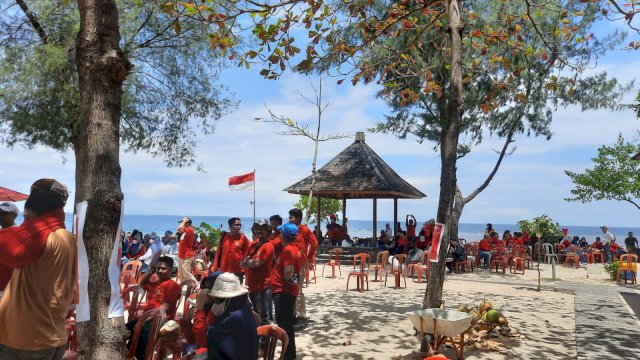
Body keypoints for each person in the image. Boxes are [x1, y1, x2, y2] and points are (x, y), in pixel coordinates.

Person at [0, 179, 75, 359]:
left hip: (27, 340)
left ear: (31, 208)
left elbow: (9, 246)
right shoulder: (69, 238)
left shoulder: (36, 239)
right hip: (54, 334)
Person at [127, 256, 181, 359]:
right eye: (158, 268)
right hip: (147, 318)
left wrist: (142, 321)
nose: (160, 271)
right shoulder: (155, 283)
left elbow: (163, 308)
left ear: (171, 270)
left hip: (161, 319)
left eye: (164, 268)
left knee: (142, 336)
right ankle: (130, 351)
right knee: (125, 329)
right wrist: (151, 272)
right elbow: (142, 284)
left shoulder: (172, 285)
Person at [207, 273, 258, 360]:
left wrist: (199, 311)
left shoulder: (231, 321)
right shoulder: (245, 311)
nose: (215, 303)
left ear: (229, 300)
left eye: (218, 300)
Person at [271, 222, 301, 360]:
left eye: (280, 233)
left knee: (284, 325)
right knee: (286, 324)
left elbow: (288, 270)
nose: (279, 235)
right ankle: (290, 354)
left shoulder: (288, 250)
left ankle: (288, 356)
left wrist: (286, 277)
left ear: (284, 235)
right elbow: (304, 264)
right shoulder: (296, 247)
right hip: (287, 291)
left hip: (283, 292)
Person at [241, 222, 275, 325]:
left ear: (268, 232)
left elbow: (256, 263)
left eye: (262, 229)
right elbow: (241, 262)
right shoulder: (253, 244)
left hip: (263, 286)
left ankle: (265, 339)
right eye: (257, 228)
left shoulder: (268, 246)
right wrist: (248, 262)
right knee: (255, 315)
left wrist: (248, 261)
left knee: (263, 317)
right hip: (252, 285)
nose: (259, 230)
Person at [289, 208, 318, 321]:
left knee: (298, 289)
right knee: (290, 289)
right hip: (289, 264)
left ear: (298, 218)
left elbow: (314, 244)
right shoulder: (288, 229)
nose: (290, 219)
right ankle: (292, 313)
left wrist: (309, 258)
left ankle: (301, 315)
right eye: (289, 217)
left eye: (292, 217)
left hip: (300, 264)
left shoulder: (304, 229)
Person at [213, 217, 250, 283]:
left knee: (238, 292)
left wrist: (245, 262)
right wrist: (216, 268)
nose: (238, 227)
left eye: (240, 225)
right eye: (236, 225)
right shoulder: (224, 237)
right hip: (225, 271)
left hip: (238, 271)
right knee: (225, 291)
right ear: (230, 226)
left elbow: (249, 250)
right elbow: (218, 253)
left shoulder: (243, 237)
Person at [0, 202, 19, 296]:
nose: (0, 216)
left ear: (14, 216)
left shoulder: (19, 234)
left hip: (8, 286)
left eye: (4, 214)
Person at [177, 217, 198, 284]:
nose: (181, 224)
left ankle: (197, 286)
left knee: (186, 273)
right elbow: (179, 230)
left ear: (187, 223)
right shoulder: (185, 231)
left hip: (187, 255)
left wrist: (184, 221)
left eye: (183, 223)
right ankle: (183, 286)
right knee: (181, 274)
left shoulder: (190, 230)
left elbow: (179, 228)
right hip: (181, 255)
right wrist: (184, 221)